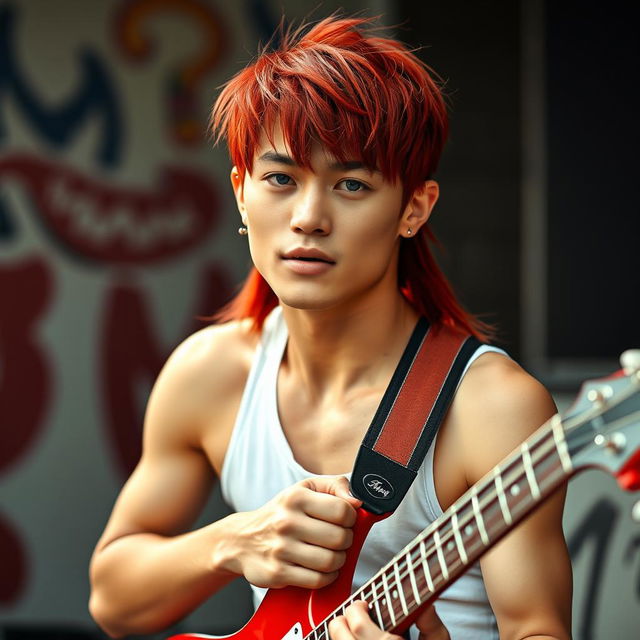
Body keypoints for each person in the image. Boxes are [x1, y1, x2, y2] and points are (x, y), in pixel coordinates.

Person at [89, 16, 572, 640]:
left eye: (351, 184)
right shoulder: (211, 375)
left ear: (414, 209)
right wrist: (237, 540)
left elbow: (541, 629)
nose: (309, 218)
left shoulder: (491, 408)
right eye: (281, 179)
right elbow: (113, 599)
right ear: (241, 193)